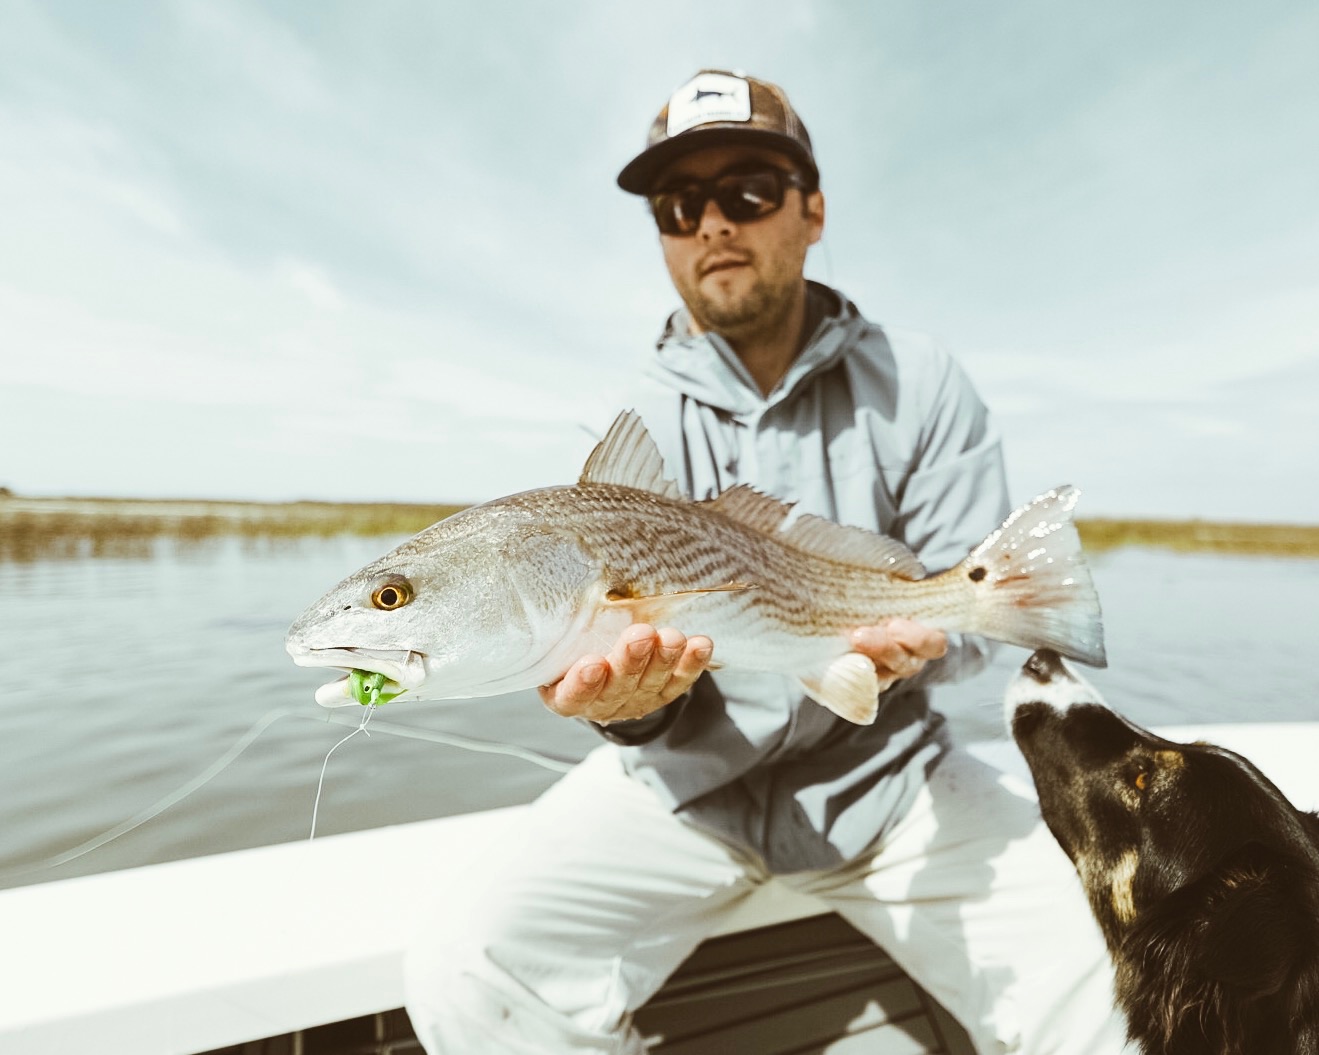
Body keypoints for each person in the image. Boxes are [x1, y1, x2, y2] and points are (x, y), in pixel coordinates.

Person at [405, 69, 1129, 1054]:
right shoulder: (628, 418)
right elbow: (629, 660)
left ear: (810, 210)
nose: (712, 224)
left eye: (746, 190)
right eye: (678, 203)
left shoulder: (917, 379)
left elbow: (965, 614)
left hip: (888, 778)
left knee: (1113, 980)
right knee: (462, 969)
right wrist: (637, 706)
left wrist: (919, 644)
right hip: (680, 792)